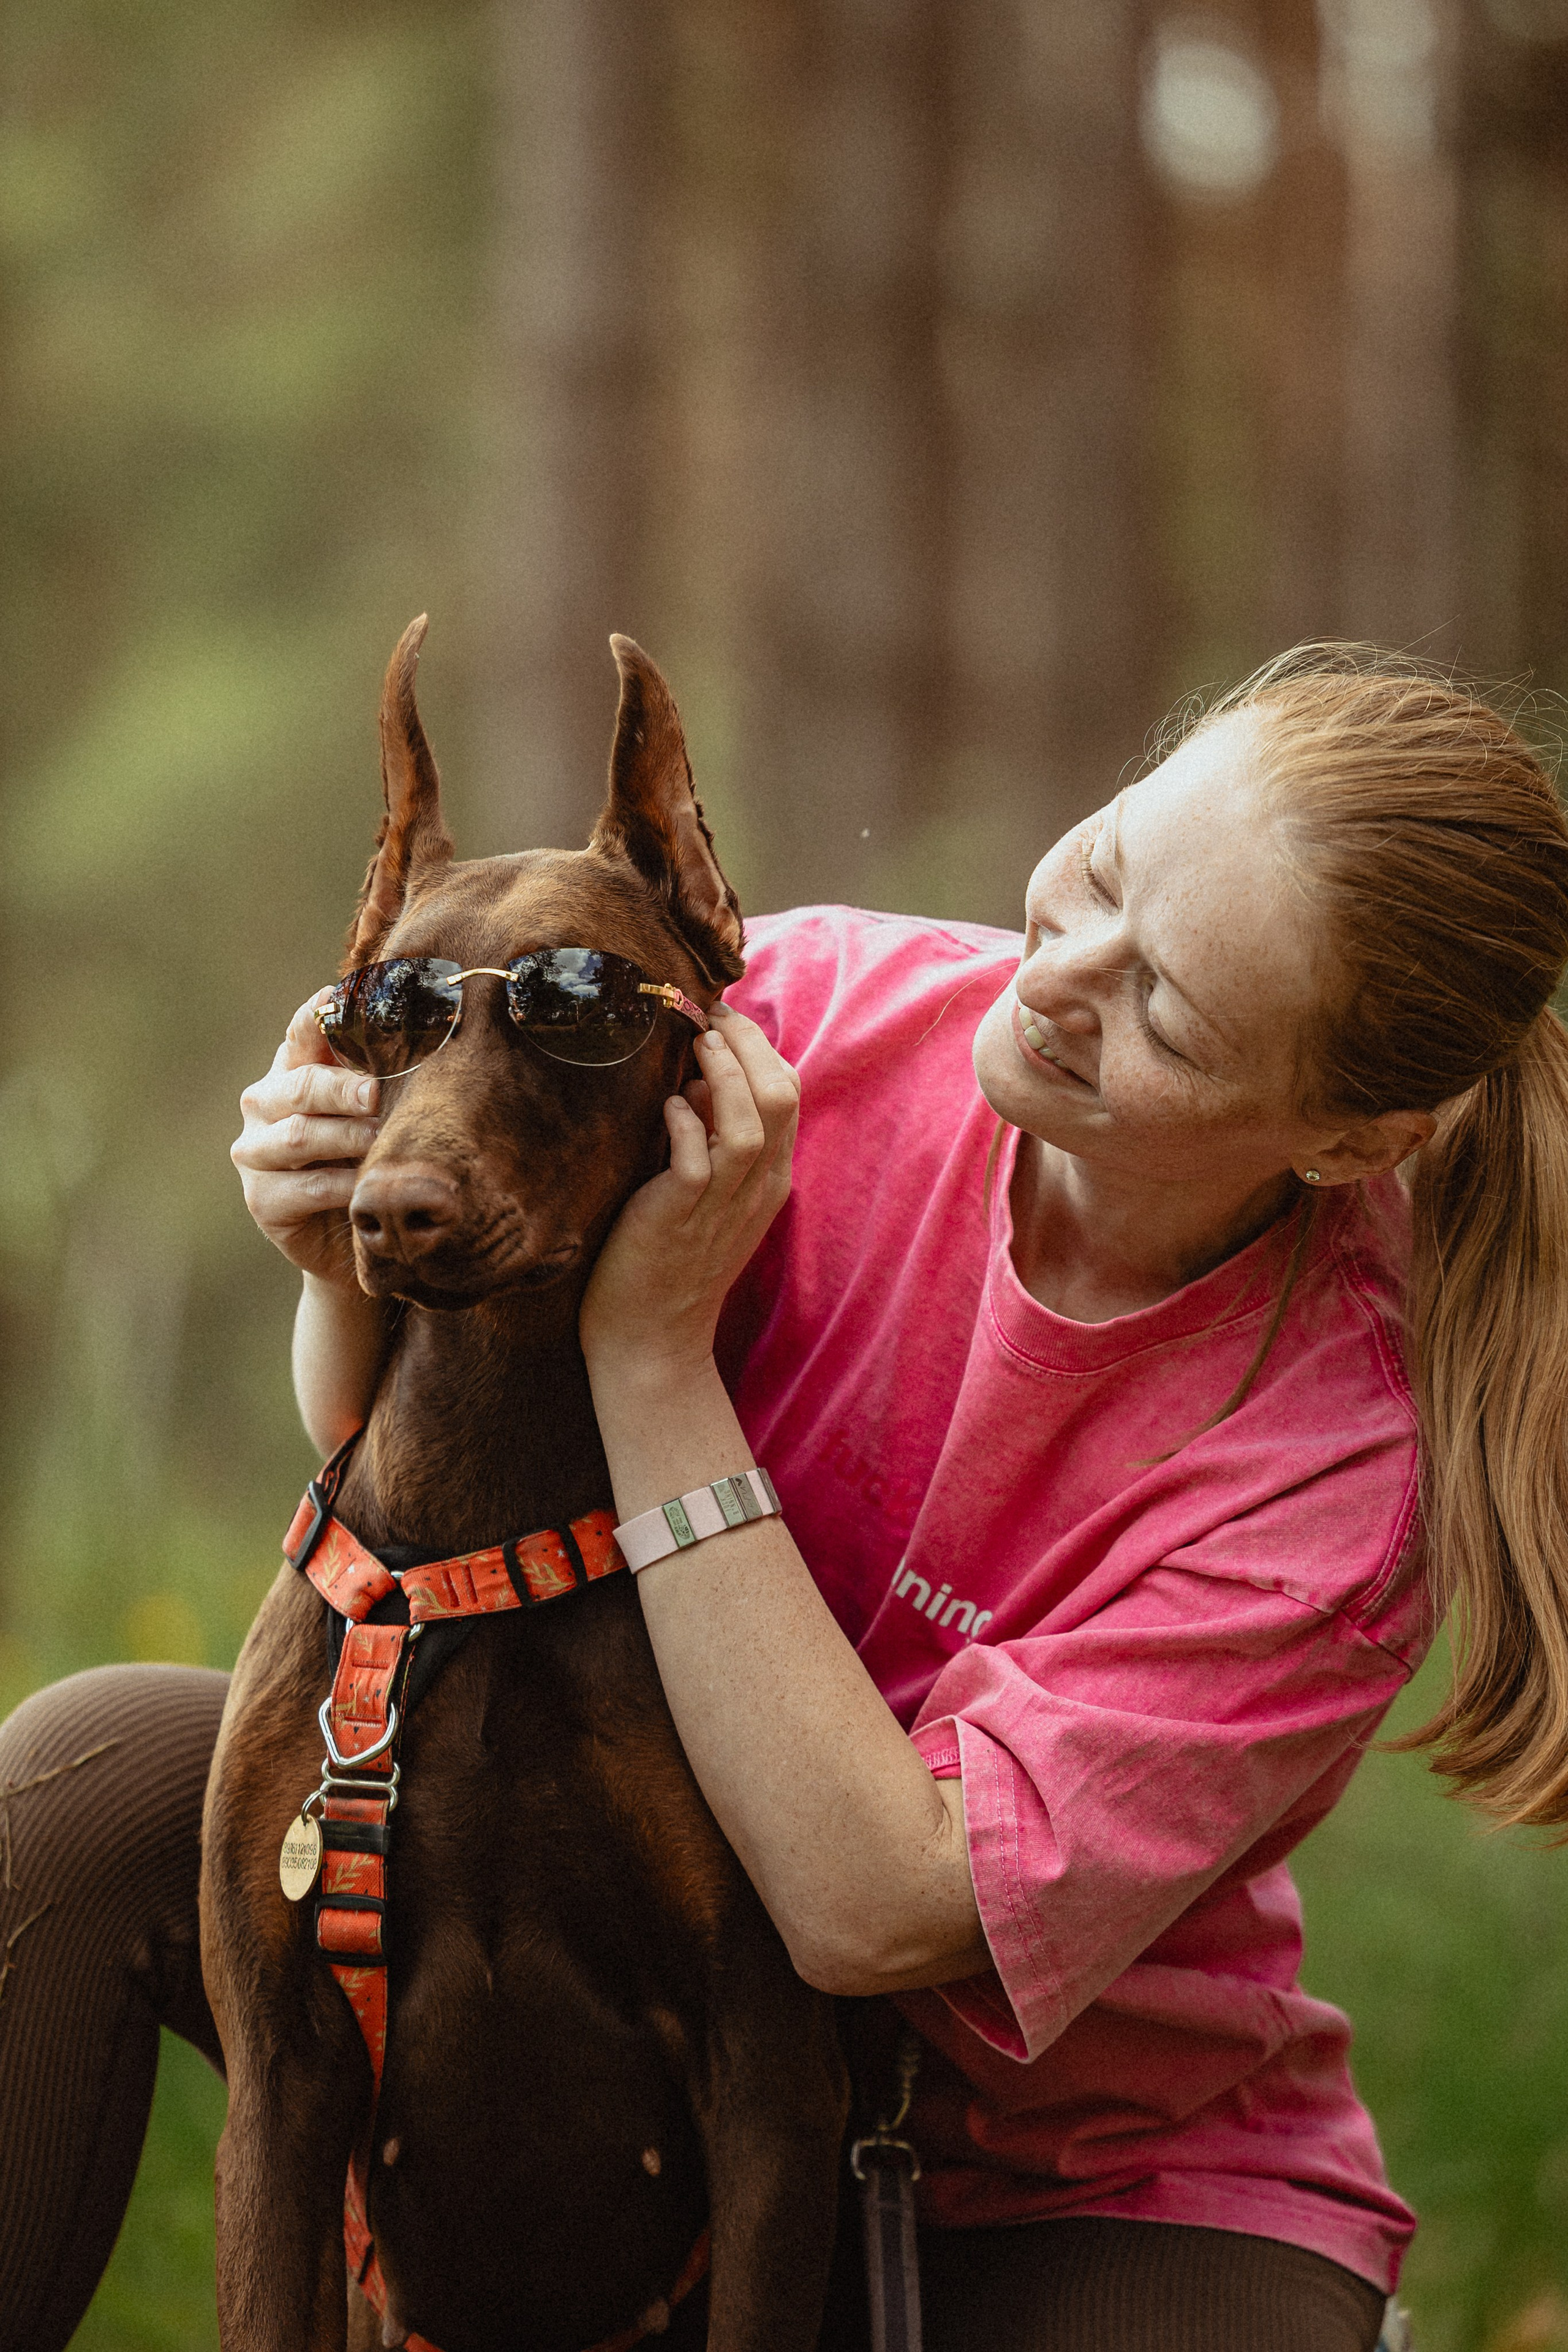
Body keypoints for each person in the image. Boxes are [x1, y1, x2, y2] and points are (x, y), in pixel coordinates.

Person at [4, 646, 1567, 2352]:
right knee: (74, 1791)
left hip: (1051, 2169)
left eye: (1167, 1014)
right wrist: (335, 1247)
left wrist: (660, 1357)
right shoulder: (801, 1015)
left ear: (1347, 1140)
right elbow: (422, 1468)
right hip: (628, 1993)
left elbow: (869, 1908)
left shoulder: (1338, 1477)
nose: (1063, 977)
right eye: (1107, 867)